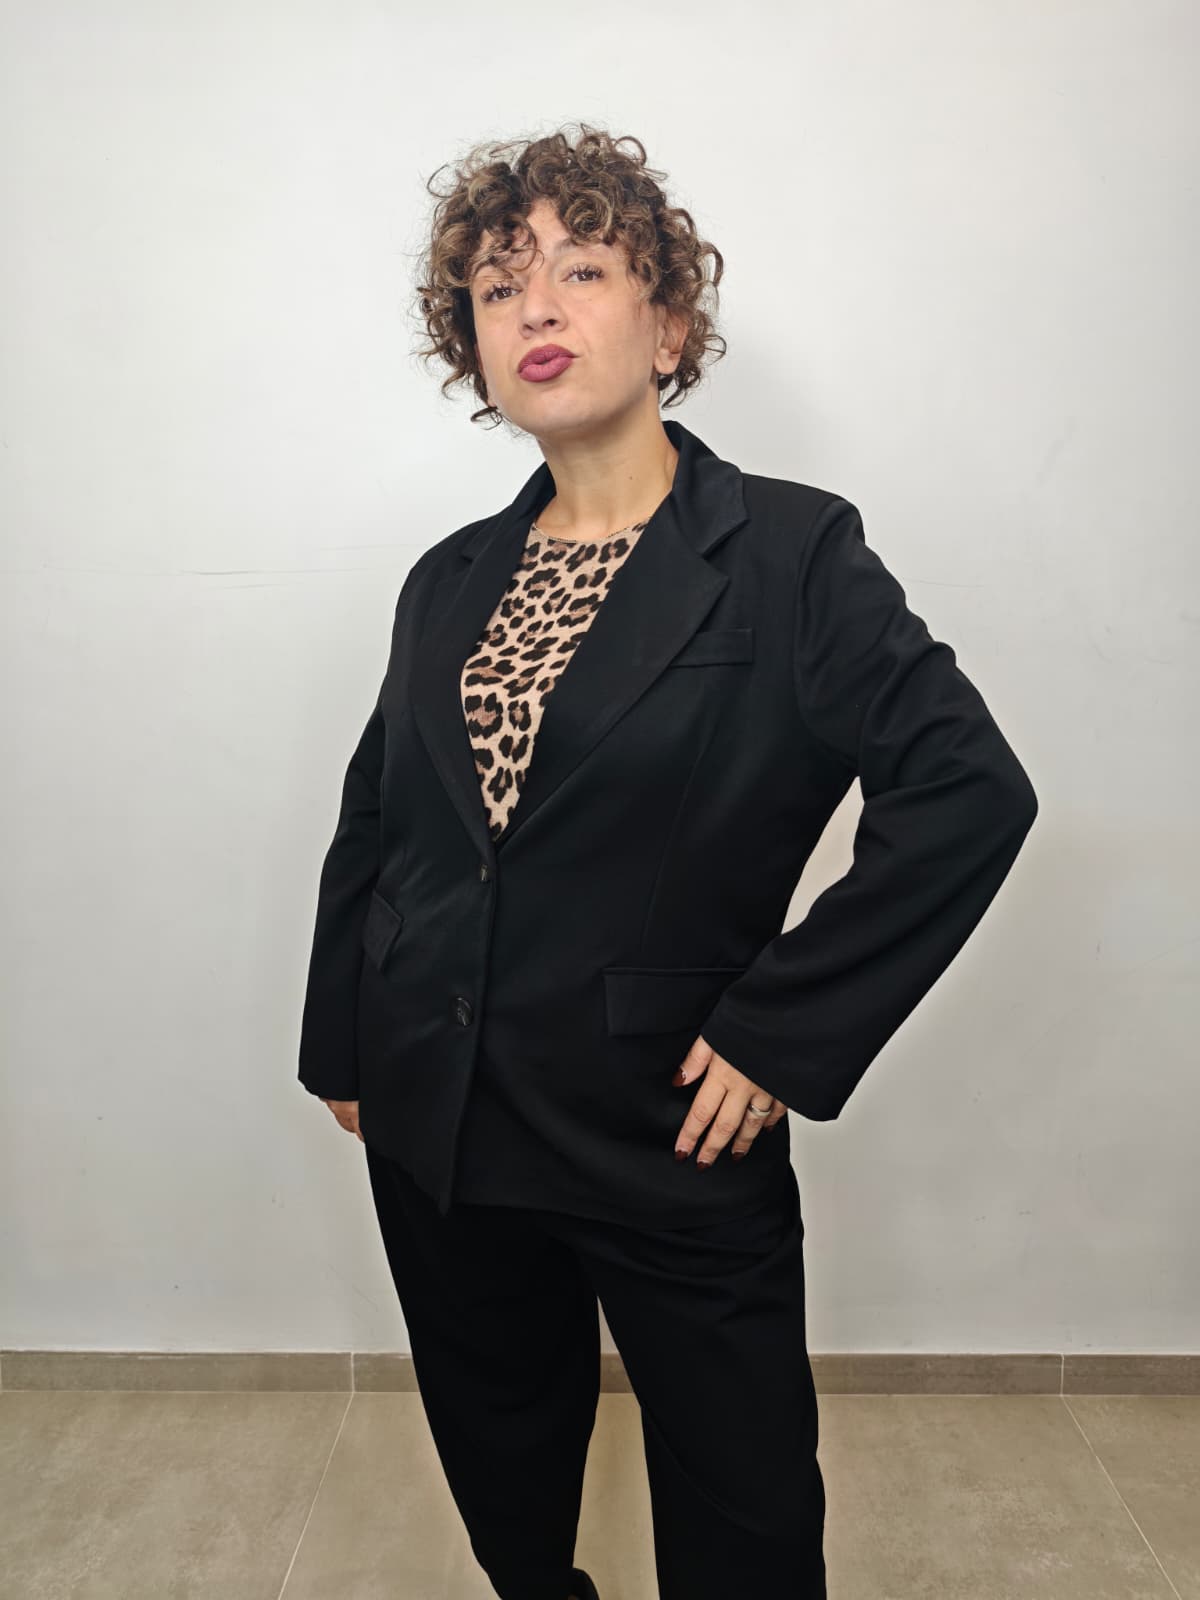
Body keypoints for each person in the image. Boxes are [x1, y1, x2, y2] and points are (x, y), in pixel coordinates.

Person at [297, 124, 1038, 1600]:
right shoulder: (448, 577)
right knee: (503, 1466)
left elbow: (969, 791)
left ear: (671, 323)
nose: (536, 307)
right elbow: (379, 814)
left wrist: (779, 1031)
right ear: (473, 348)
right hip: (437, 1110)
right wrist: (342, 1041)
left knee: (744, 1507)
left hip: (662, 1121)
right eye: (498, 287)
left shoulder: (790, 553)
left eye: (582, 269)